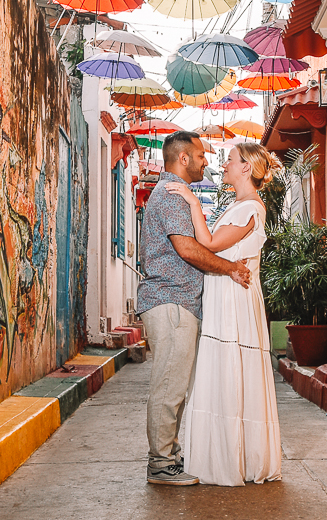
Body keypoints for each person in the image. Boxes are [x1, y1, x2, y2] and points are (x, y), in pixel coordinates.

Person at [137, 130, 252, 487]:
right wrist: (231, 268)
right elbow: (188, 250)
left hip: (176, 301)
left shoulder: (174, 194)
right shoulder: (172, 195)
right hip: (170, 301)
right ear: (183, 158)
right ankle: (160, 464)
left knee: (175, 385)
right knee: (170, 387)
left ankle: (167, 455)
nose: (207, 161)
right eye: (201, 155)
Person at [168, 142, 283, 487]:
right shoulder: (241, 205)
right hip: (228, 294)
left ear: (246, 168)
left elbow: (210, 243)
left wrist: (190, 200)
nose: (224, 164)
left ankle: (230, 458)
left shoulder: (249, 207)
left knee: (231, 368)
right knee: (228, 370)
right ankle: (229, 454)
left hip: (234, 301)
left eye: (231, 160)